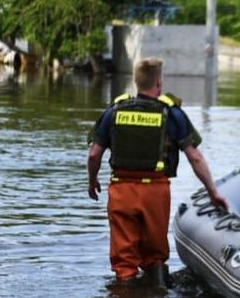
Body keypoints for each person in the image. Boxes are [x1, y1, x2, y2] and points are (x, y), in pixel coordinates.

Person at [87, 57, 228, 284]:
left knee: (124, 261)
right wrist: (212, 192)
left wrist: (92, 181)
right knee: (155, 255)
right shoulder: (171, 113)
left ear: (136, 82)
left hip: (121, 189)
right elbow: (195, 156)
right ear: (159, 83)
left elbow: (94, 154)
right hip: (155, 191)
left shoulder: (115, 110)